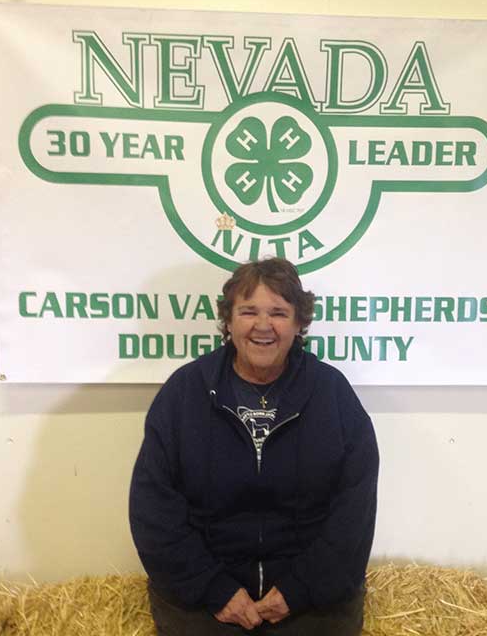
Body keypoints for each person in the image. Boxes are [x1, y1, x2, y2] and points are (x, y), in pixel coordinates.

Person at [129, 258, 379, 635]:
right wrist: (215, 589)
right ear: (228, 321)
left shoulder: (333, 394)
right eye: (249, 311)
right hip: (204, 597)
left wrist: (300, 589)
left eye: (279, 312)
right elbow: (153, 509)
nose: (263, 326)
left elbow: (354, 511)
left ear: (299, 324)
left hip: (311, 598)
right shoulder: (183, 393)